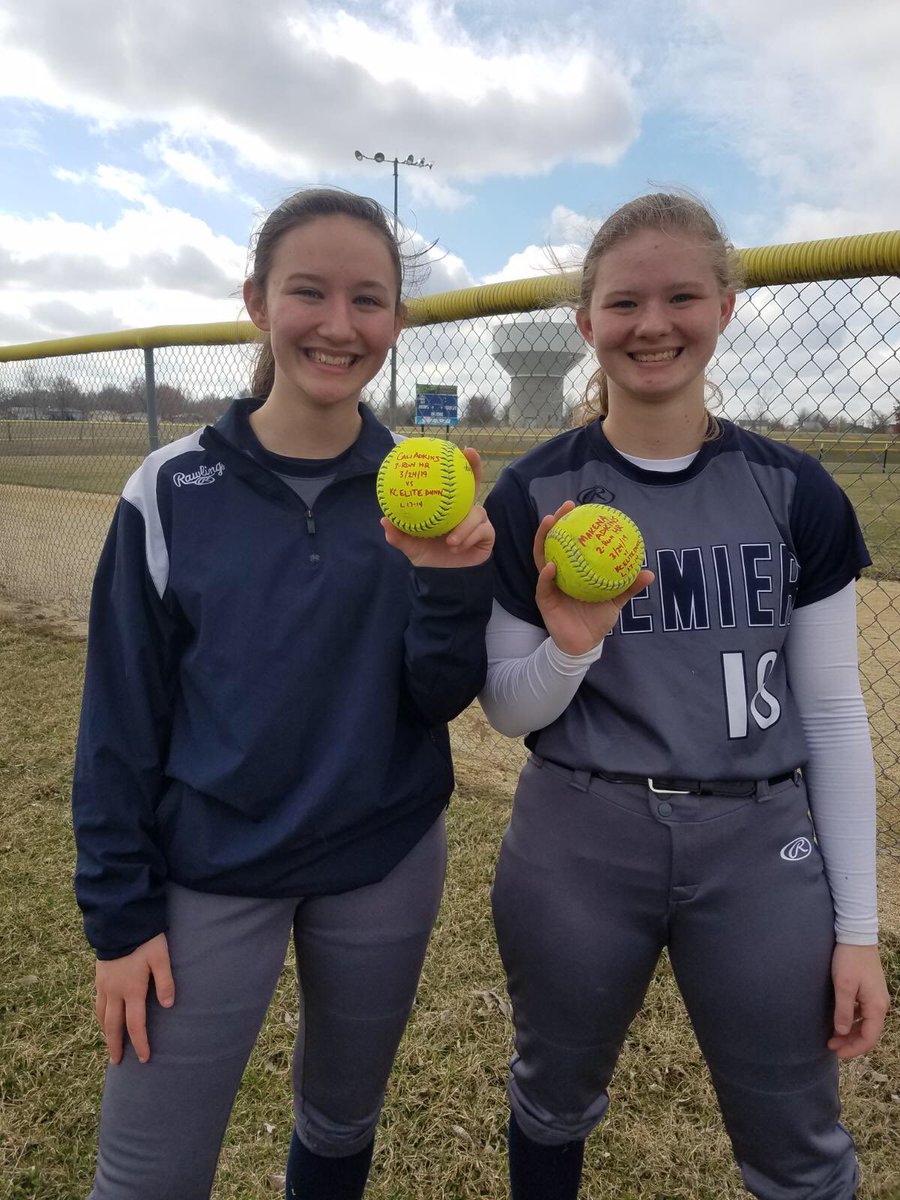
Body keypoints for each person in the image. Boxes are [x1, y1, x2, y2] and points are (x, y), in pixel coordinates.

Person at [72, 187, 495, 1200]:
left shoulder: (418, 480)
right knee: (146, 1173)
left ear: (396, 320)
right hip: (212, 868)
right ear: (258, 301)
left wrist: (448, 582)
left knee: (341, 1126)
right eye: (309, 292)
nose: (339, 325)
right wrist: (121, 922)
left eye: (370, 300)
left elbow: (436, 697)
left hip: (382, 859)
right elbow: (118, 725)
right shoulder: (169, 490)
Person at [480, 192, 889, 1200]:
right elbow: (506, 708)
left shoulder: (795, 490)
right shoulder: (535, 492)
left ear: (726, 307)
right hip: (579, 832)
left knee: (798, 1141)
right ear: (587, 324)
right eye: (623, 303)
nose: (652, 323)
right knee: (551, 1094)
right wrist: (573, 649)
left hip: (758, 841)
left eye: (681, 297)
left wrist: (859, 931)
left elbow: (833, 718)